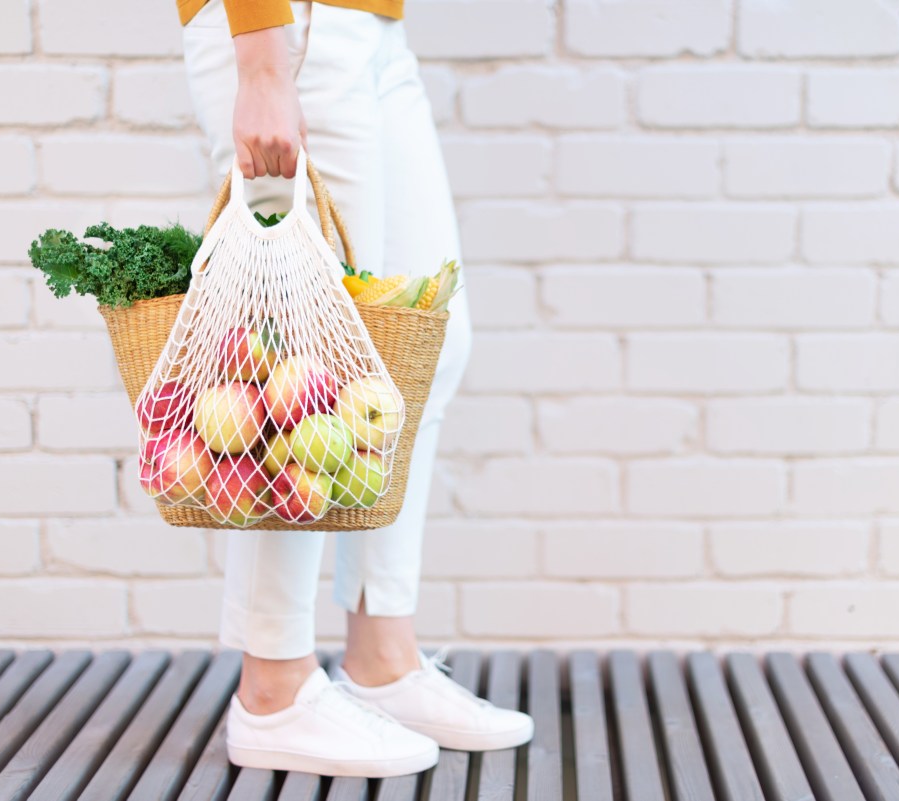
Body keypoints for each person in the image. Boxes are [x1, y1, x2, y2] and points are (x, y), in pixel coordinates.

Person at [177, 0, 535, 777]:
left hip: (369, 26)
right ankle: (273, 684)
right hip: (288, 29)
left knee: (428, 343)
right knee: (300, 367)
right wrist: (264, 64)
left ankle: (382, 656)